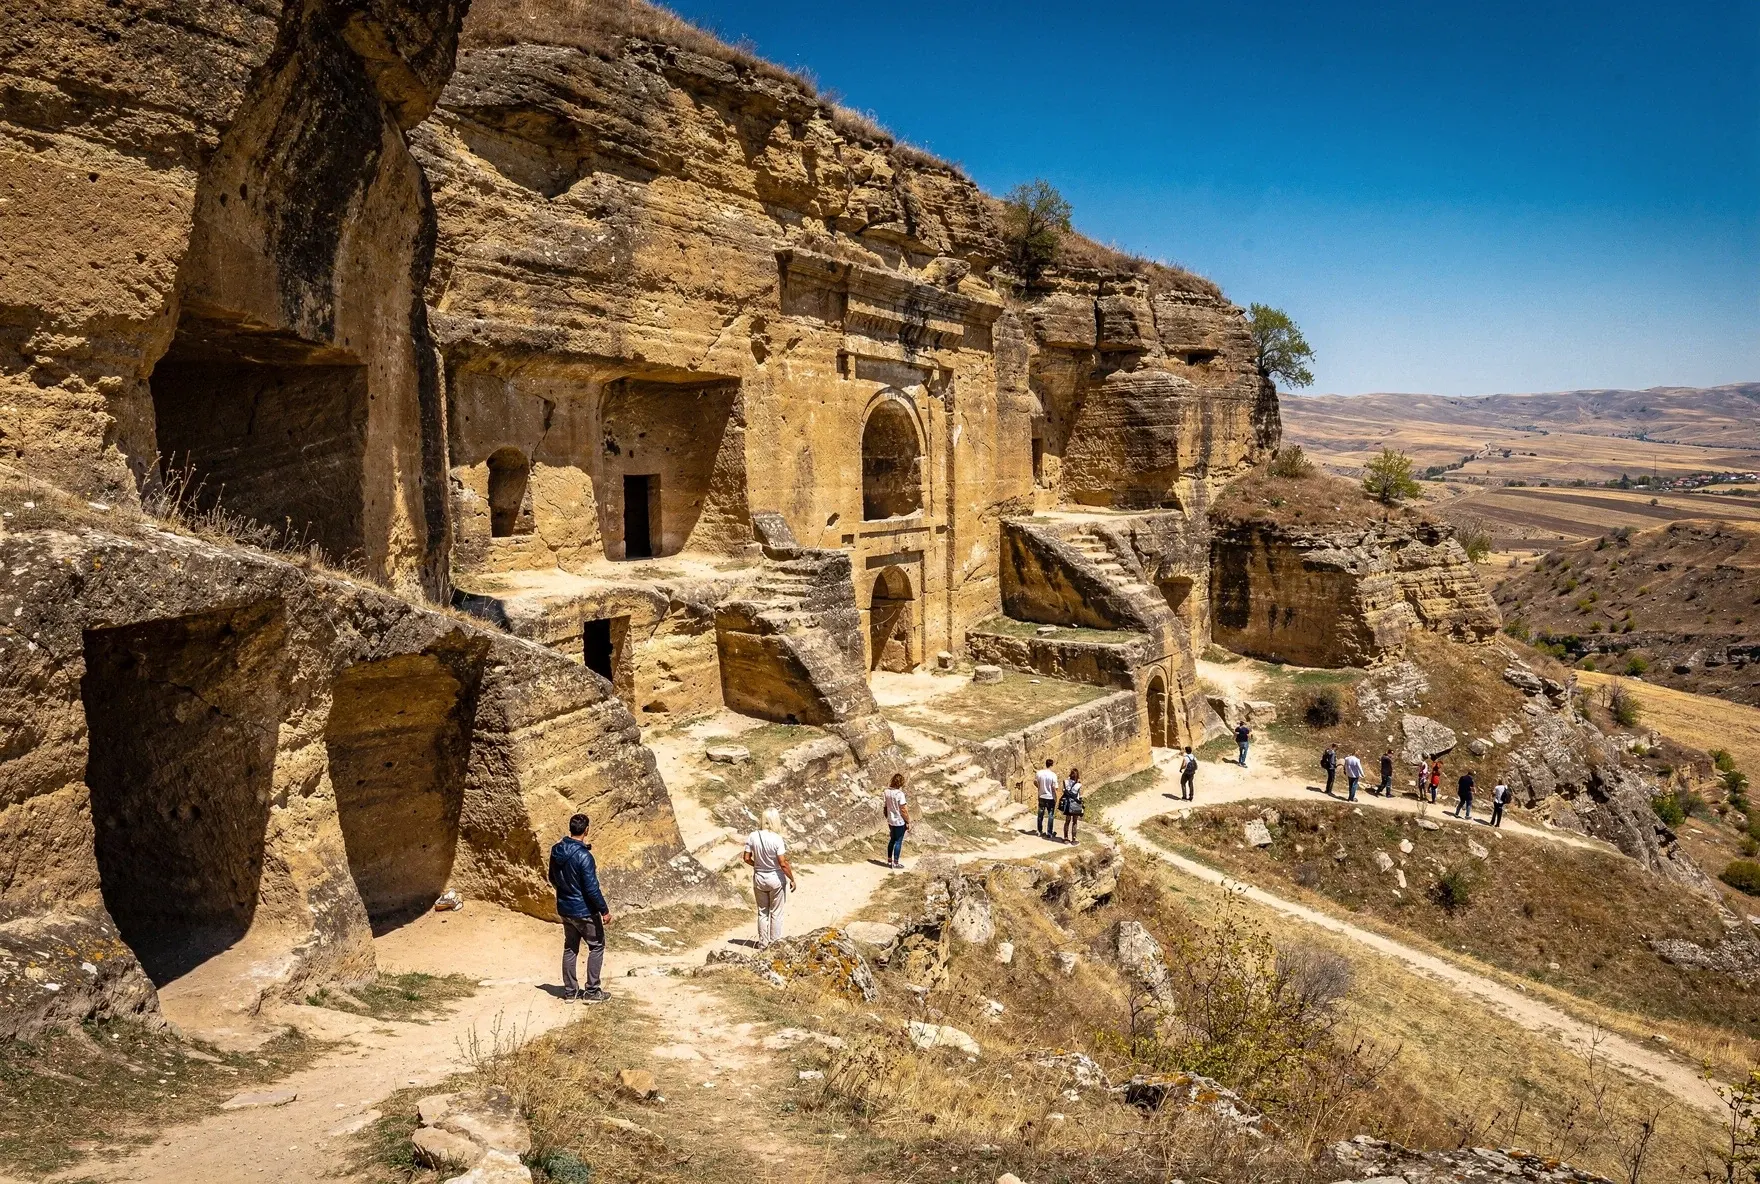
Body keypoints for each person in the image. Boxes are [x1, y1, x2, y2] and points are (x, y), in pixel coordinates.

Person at [548, 812, 611, 1003]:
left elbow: (552, 878)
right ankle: (592, 991)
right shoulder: (584, 856)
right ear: (587, 830)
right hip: (583, 910)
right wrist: (604, 910)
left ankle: (570, 992)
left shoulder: (556, 850)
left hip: (565, 908)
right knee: (597, 946)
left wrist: (565, 892)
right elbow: (592, 889)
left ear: (570, 828)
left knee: (570, 948)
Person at [742, 807, 796, 947]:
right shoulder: (777, 839)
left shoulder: (753, 836)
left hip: (759, 877)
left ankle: (763, 943)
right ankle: (774, 944)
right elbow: (783, 863)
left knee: (762, 912)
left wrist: (757, 865)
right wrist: (792, 878)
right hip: (775, 878)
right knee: (776, 912)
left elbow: (746, 858)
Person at [882, 773, 911, 868]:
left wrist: (887, 817)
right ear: (901, 783)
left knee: (892, 840)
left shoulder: (886, 792)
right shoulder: (900, 794)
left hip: (890, 820)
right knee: (898, 841)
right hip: (899, 821)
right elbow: (903, 810)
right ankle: (896, 862)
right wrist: (908, 821)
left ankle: (889, 861)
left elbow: (885, 807)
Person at [1034, 758, 1060, 838]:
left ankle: (1039, 831)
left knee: (1040, 814)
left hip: (1041, 795)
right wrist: (1056, 797)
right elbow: (1054, 788)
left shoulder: (1039, 773)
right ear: (1052, 765)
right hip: (1050, 797)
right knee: (1050, 815)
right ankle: (1049, 832)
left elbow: (1035, 782)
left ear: (1045, 764)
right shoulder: (1053, 775)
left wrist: (1039, 788)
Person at [1060, 767, 1085, 843]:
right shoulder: (1079, 785)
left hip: (1067, 804)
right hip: (1075, 804)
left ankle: (1066, 837)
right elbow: (1080, 796)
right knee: (1074, 822)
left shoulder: (1065, 782)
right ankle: (1073, 838)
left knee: (1067, 821)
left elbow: (1063, 791)